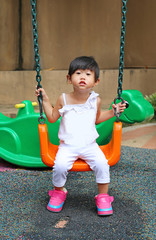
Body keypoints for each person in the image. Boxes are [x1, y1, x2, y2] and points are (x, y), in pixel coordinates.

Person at [35, 56, 126, 216]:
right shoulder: (63, 98)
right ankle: (59, 192)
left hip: (90, 145)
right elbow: (51, 118)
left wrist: (113, 112)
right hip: (67, 146)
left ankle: (103, 196)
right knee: (60, 167)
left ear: (96, 81)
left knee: (102, 164)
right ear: (69, 79)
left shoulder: (95, 100)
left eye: (88, 74)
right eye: (78, 73)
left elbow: (96, 119)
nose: (83, 77)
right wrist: (45, 101)